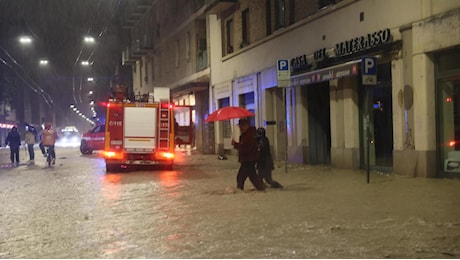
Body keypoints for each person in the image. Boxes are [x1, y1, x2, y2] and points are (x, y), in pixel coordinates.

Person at [231, 119, 265, 191]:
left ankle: (240, 190)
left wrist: (236, 144)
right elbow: (244, 146)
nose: (240, 128)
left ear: (246, 125)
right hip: (247, 159)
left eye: (241, 126)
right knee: (251, 176)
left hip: (249, 159)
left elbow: (247, 147)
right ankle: (260, 189)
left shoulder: (250, 135)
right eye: (239, 126)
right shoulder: (245, 135)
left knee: (241, 177)